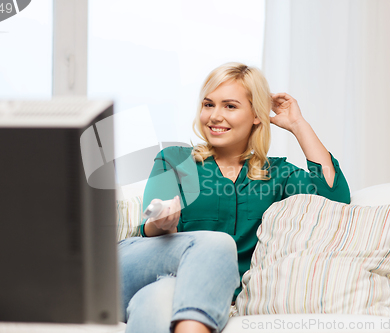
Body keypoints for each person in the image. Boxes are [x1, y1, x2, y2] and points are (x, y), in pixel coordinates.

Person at [118, 62, 350, 333]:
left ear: (256, 115)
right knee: (217, 244)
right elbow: (150, 229)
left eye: (229, 106)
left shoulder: (277, 174)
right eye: (208, 104)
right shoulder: (175, 159)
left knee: (156, 300)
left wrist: (298, 124)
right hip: (143, 265)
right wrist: (163, 222)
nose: (215, 116)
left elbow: (335, 198)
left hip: (188, 287)